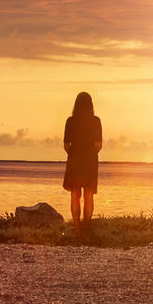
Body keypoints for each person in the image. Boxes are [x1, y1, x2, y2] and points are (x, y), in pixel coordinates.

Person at [63, 91, 102, 237]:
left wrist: (74, 155)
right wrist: (90, 155)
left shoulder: (70, 121)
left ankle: (77, 229)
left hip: (75, 159)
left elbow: (66, 145)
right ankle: (87, 227)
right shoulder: (96, 121)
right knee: (88, 194)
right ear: (91, 104)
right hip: (90, 160)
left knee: (75, 194)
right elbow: (99, 145)